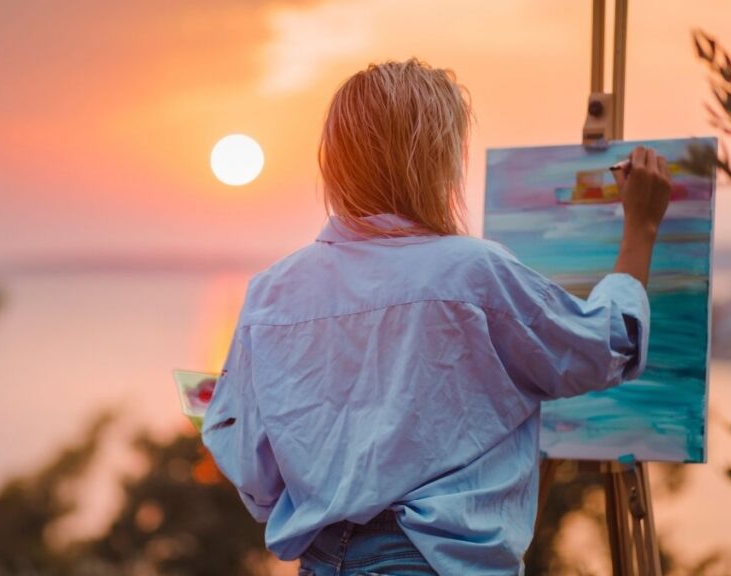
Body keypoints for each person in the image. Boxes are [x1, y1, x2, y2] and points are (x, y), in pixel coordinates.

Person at [202, 59, 671, 575]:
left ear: (335, 161)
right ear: (433, 159)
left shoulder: (271, 293)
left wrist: (330, 489)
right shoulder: (472, 272)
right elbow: (606, 346)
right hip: (430, 563)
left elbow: (250, 466)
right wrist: (642, 228)